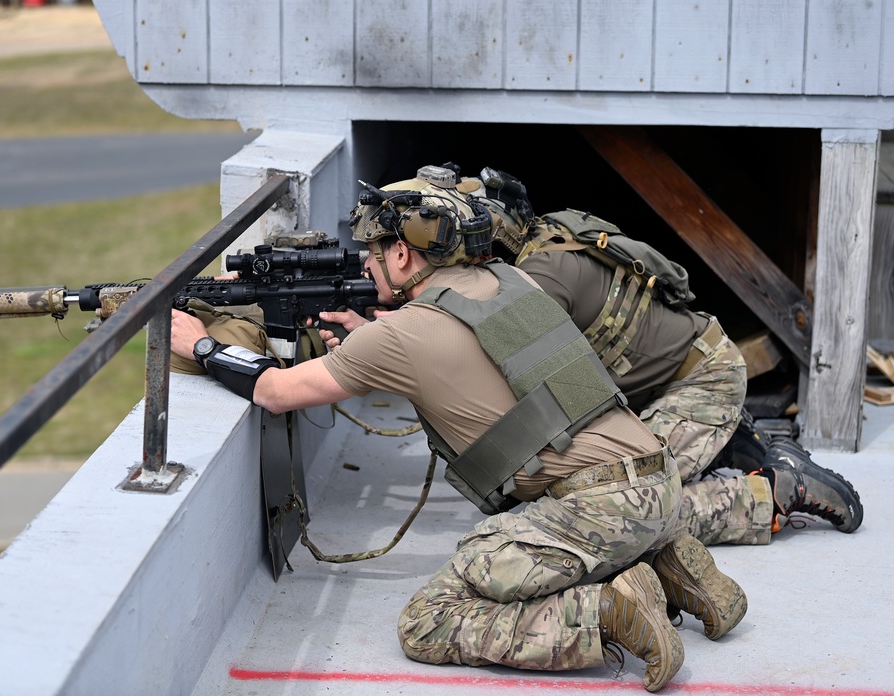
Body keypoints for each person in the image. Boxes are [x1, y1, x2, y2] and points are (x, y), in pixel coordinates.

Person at [170, 166, 748, 692]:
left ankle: (609, 614)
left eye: (373, 251)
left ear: (402, 255)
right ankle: (674, 570)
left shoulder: (398, 335)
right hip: (658, 481)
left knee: (429, 620)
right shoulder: (509, 281)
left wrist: (197, 344)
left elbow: (274, 391)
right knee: (564, 530)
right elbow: (471, 359)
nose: (367, 264)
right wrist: (373, 342)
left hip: (598, 506)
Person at [461, 166, 863, 547]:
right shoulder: (546, 241)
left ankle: (777, 491)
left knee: (617, 511)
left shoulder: (540, 279)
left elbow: (528, 397)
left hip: (700, 381)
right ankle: (719, 441)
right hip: (663, 382)